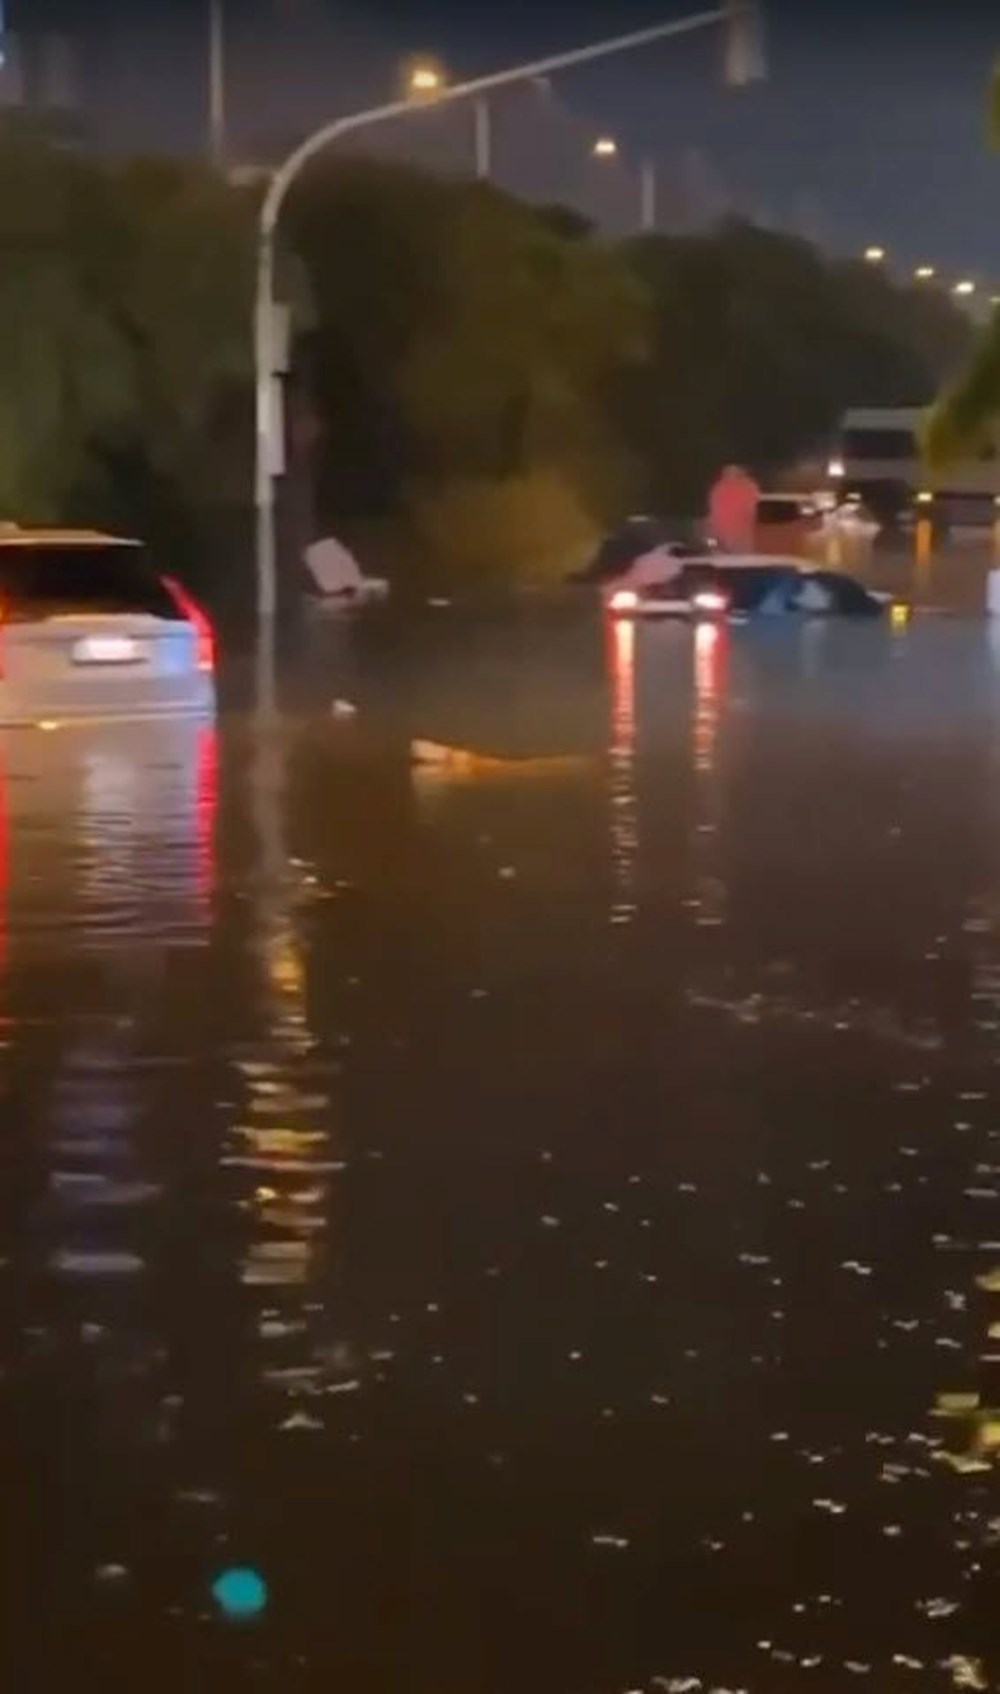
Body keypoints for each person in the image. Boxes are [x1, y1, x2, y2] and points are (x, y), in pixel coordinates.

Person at [707, 463, 760, 552]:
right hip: (720, 532)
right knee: (714, 548)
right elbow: (713, 508)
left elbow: (752, 508)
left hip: (740, 533)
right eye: (727, 473)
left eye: (733, 472)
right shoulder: (718, 488)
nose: (729, 475)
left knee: (741, 555)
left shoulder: (748, 486)